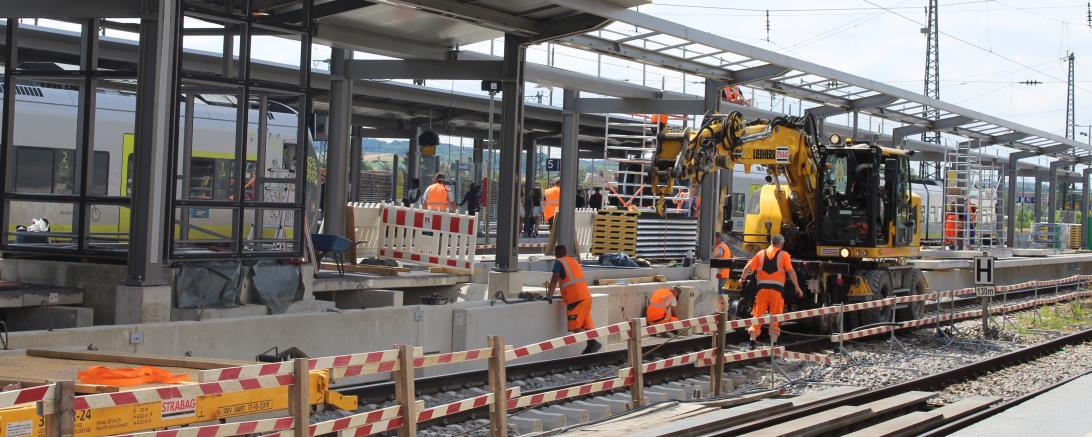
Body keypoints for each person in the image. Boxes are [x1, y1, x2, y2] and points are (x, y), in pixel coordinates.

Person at [738, 234, 804, 348]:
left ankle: (752, 342)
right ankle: (774, 343)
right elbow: (791, 272)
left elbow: (747, 268)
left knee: (757, 315)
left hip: (762, 291)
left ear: (771, 242)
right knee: (775, 317)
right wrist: (797, 287)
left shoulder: (761, 254)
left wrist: (742, 279)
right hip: (776, 292)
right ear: (782, 244)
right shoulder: (784, 255)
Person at [547, 245, 602, 354]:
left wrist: (549, 295)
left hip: (575, 300)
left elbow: (554, 280)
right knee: (586, 325)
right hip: (586, 297)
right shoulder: (573, 261)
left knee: (574, 326)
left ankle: (593, 343)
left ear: (556, 254)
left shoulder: (559, 262)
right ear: (566, 252)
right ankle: (591, 346)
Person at [544, 178, 561, 254]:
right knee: (560, 230)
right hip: (560, 213)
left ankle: (552, 247)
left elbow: (544, 203)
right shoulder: (562, 190)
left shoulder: (547, 191)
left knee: (552, 231)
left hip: (550, 214)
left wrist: (545, 214)